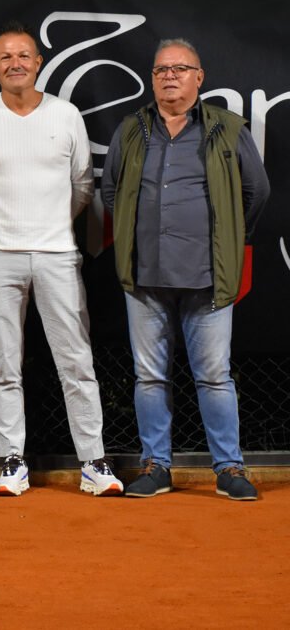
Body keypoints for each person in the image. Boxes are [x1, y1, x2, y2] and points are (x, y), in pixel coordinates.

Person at [0, 22, 122, 497]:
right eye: (5, 57)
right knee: (4, 364)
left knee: (77, 361)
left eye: (23, 56)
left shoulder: (66, 115)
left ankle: (93, 463)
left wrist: (53, 225)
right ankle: (11, 463)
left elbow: (83, 184)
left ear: (38, 62)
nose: (15, 64)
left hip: (58, 256)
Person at [101, 38, 270, 501]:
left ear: (200, 77)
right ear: (152, 78)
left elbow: (256, 194)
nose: (169, 76)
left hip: (208, 278)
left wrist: (230, 239)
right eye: (160, 70)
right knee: (149, 377)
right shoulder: (131, 130)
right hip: (145, 280)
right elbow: (112, 192)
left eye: (179, 68)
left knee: (214, 376)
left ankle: (229, 469)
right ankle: (156, 466)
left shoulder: (228, 129)